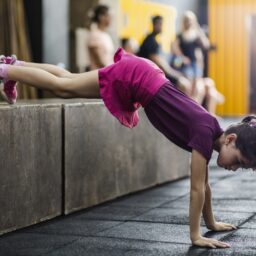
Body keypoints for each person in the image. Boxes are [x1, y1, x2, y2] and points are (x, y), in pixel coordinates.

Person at [0, 49, 256, 249]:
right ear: (231, 139)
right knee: (65, 86)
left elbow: (205, 186)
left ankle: (15, 67)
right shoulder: (204, 132)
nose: (235, 168)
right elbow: (197, 188)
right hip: (137, 78)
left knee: (68, 81)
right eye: (239, 161)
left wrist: (211, 222)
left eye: (241, 167)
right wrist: (195, 235)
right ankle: (5, 71)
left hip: (143, 75)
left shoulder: (211, 133)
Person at [171, 11, 224, 114]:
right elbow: (174, 48)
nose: (189, 23)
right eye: (187, 21)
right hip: (186, 65)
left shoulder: (196, 34)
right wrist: (182, 57)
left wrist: (199, 30)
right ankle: (191, 109)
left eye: (190, 21)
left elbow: (206, 45)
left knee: (198, 87)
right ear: (183, 22)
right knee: (189, 86)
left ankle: (196, 111)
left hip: (196, 65)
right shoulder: (180, 35)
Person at [137, 15, 192, 95]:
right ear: (154, 25)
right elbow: (160, 64)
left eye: (162, 24)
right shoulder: (151, 41)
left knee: (186, 80)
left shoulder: (153, 40)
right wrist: (175, 74)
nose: (162, 27)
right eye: (160, 24)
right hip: (152, 76)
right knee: (185, 85)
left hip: (156, 74)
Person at [87, 5, 114, 70]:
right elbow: (99, 62)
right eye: (109, 16)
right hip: (99, 76)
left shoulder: (106, 35)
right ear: (101, 17)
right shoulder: (95, 35)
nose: (111, 18)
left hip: (108, 74)